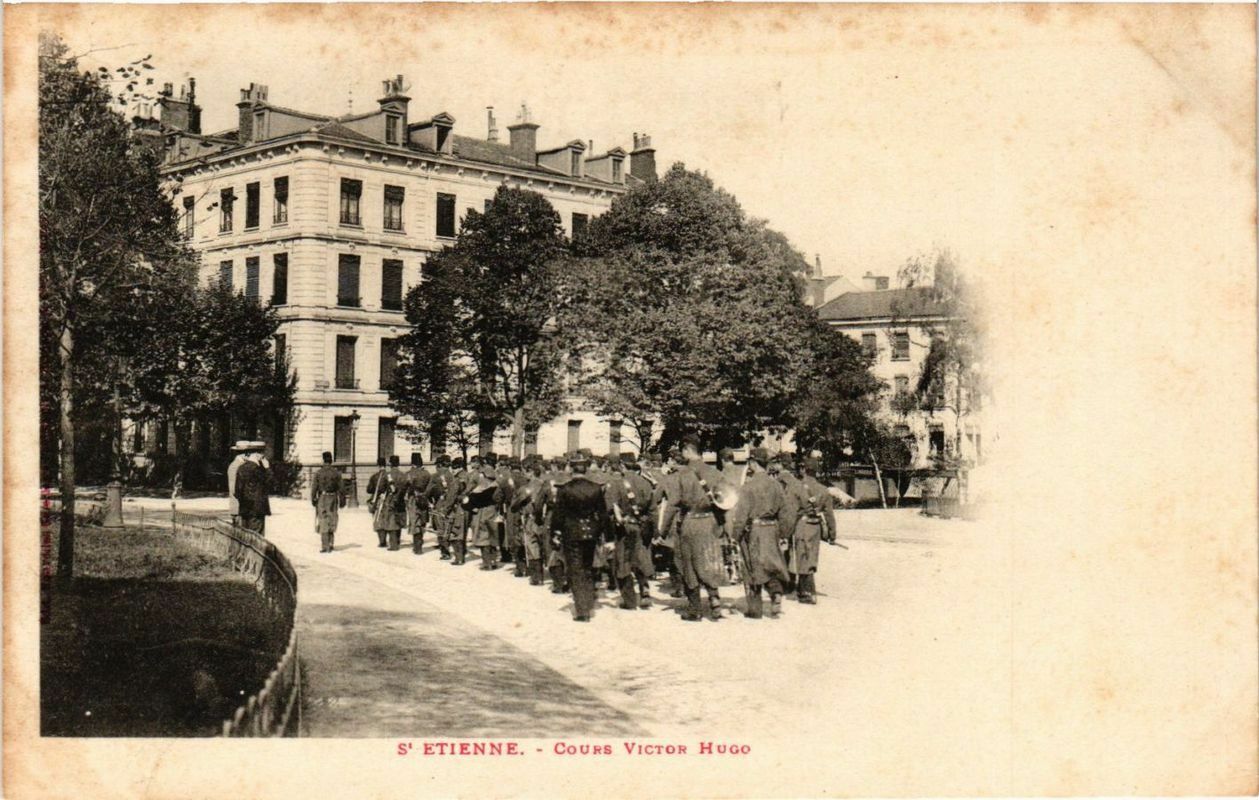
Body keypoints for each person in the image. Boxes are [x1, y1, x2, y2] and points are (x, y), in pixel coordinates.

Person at [659, 435, 728, 621]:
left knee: (688, 564)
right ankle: (714, 599)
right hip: (710, 521)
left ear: (688, 450)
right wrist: (722, 525)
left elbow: (673, 504)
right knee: (708, 559)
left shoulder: (682, 474)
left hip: (690, 522)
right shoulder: (715, 473)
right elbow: (724, 501)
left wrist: (663, 531)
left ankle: (695, 609)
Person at [728, 447, 794, 618]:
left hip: (755, 531)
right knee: (771, 565)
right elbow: (785, 513)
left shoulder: (748, 487)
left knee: (753, 567)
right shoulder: (777, 485)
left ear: (753, 463)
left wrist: (735, 536)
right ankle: (776, 592)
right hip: (772, 529)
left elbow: (741, 516)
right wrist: (784, 534)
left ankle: (755, 610)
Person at [550, 450, 613, 622]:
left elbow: (558, 515)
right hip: (591, 532)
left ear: (571, 468)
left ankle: (582, 610)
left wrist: (555, 534)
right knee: (587, 567)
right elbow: (603, 515)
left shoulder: (565, 489)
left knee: (575, 570)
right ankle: (588, 601)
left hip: (571, 533)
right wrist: (609, 537)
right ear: (586, 468)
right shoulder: (596, 488)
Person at [606, 452, 656, 609]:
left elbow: (609, 508)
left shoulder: (616, 484)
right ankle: (645, 590)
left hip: (625, 528)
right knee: (641, 559)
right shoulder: (646, 483)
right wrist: (653, 530)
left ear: (622, 465)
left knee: (623, 562)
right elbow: (653, 510)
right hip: (642, 526)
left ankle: (629, 601)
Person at [787, 456, 837, 604]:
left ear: (803, 469)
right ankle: (805, 590)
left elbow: (791, 511)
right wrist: (832, 535)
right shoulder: (823, 490)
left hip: (802, 525)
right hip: (815, 526)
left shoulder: (795, 487)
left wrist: (786, 531)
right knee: (812, 557)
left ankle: (807, 591)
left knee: (802, 556)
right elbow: (829, 514)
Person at [311, 451, 345, 553]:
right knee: (332, 518)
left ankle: (325, 545)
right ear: (331, 460)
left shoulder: (319, 473)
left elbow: (314, 488)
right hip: (333, 497)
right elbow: (341, 488)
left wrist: (313, 499)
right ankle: (331, 543)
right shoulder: (336, 473)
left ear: (323, 460)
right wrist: (342, 500)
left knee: (323, 520)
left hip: (322, 497)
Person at [234, 443, 271, 535]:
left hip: (245, 509)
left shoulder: (241, 468)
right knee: (257, 537)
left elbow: (237, 491)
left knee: (245, 536)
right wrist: (267, 468)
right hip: (257, 510)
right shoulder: (259, 470)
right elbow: (271, 483)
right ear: (258, 454)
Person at [428, 454, 455, 560]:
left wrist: (429, 500)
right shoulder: (452, 475)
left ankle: (445, 551)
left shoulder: (435, 476)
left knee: (440, 528)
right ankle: (447, 545)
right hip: (451, 504)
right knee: (448, 526)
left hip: (439, 503)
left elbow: (429, 491)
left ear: (439, 465)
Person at [405, 453, 432, 554]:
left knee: (415, 522)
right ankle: (420, 541)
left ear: (412, 463)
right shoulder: (427, 474)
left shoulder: (409, 474)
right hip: (424, 499)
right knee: (422, 521)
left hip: (413, 500)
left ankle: (417, 547)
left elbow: (405, 487)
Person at [226, 440, 251, 526]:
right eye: (249, 453)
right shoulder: (235, 466)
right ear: (245, 454)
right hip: (238, 509)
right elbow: (234, 489)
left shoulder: (241, 465)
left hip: (242, 509)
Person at [365, 457, 389, 548]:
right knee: (387, 518)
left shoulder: (374, 476)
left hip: (377, 500)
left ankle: (382, 541)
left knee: (378, 519)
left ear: (378, 465)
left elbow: (369, 490)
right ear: (385, 465)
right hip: (387, 500)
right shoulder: (388, 475)